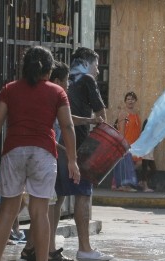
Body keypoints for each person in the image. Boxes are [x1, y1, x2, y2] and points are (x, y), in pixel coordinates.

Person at [0, 46, 80, 261]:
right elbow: (67, 126)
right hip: (43, 154)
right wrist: (72, 160)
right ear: (49, 71)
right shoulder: (57, 92)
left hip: (13, 152)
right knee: (39, 212)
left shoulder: (9, 89)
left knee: (7, 211)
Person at [20, 60, 103, 261]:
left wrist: (90, 120)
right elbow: (49, 131)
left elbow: (66, 119)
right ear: (55, 79)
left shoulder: (52, 98)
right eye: (66, 81)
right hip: (43, 158)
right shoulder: (50, 96)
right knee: (47, 206)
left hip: (43, 158)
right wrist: (70, 153)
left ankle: (32, 248)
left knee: (49, 204)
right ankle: (44, 251)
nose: (68, 85)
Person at [54, 47, 113, 261]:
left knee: (56, 197)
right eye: (97, 66)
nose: (97, 71)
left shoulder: (63, 81)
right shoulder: (87, 79)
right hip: (79, 147)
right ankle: (84, 248)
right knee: (83, 195)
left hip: (57, 144)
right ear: (87, 64)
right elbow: (101, 116)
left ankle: (48, 247)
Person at [111, 91, 141, 192]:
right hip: (127, 143)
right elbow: (121, 131)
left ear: (135, 101)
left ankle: (116, 183)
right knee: (126, 165)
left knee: (137, 163)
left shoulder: (137, 113)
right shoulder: (123, 113)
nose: (130, 101)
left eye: (132, 99)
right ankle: (124, 186)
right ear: (125, 101)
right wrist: (123, 144)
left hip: (135, 143)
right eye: (128, 99)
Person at [139, 119, 156, 192]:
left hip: (150, 149)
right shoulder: (148, 122)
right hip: (145, 148)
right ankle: (145, 187)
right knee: (144, 167)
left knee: (154, 169)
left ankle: (142, 182)